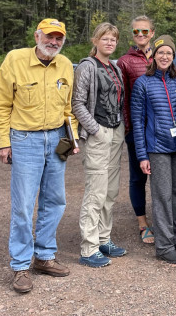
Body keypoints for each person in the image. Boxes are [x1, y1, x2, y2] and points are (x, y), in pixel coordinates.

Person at [0, 18, 79, 293]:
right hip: (24, 139)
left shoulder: (64, 65)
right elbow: (1, 104)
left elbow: (68, 108)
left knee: (55, 201)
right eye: (49, 37)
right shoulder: (15, 59)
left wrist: (72, 137)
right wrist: (4, 143)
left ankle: (44, 256)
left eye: (59, 38)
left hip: (56, 138)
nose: (54, 42)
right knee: (23, 205)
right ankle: (20, 266)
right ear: (37, 36)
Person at [131, 35, 176, 264]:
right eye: (160, 52)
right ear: (153, 55)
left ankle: (174, 238)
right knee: (162, 196)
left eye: (169, 53)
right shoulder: (143, 83)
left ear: (173, 56)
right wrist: (142, 155)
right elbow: (138, 122)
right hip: (158, 148)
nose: (165, 56)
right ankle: (164, 246)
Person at [72, 23, 126, 268]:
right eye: (105, 39)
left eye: (113, 39)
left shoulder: (114, 67)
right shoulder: (87, 67)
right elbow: (78, 103)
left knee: (110, 191)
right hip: (98, 133)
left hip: (116, 132)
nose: (110, 43)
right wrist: (95, 130)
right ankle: (88, 247)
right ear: (95, 40)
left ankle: (104, 239)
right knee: (96, 191)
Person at [117, 15, 156, 244]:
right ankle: (142, 223)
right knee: (138, 178)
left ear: (152, 33)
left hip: (160, 130)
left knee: (161, 178)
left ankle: (164, 220)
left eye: (144, 32)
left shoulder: (162, 54)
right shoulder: (125, 61)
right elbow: (123, 99)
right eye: (136, 32)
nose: (140, 36)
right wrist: (128, 129)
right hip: (137, 130)